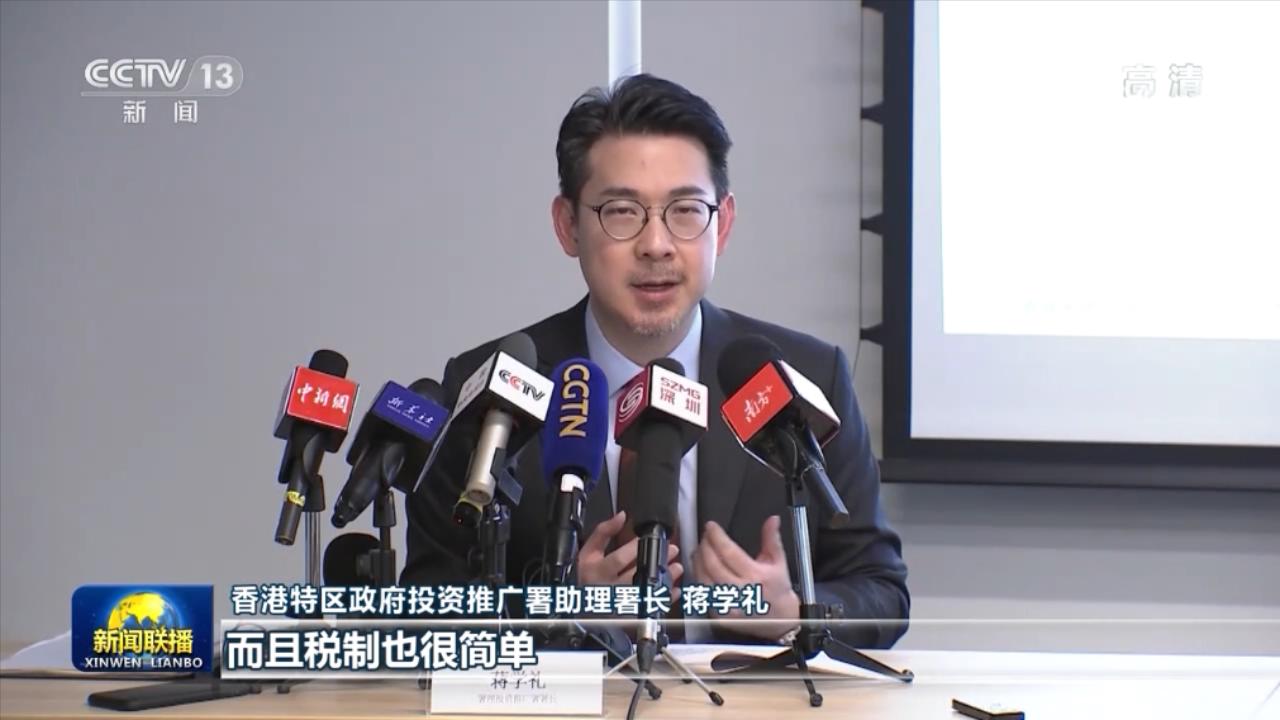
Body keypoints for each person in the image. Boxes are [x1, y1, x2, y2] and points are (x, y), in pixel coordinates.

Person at [403, 73, 908, 649]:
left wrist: (798, 612)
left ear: (723, 223)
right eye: (622, 212)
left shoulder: (805, 380)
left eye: (685, 210)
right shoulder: (493, 389)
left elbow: (882, 591)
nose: (657, 245)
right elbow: (426, 606)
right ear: (568, 226)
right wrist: (559, 613)